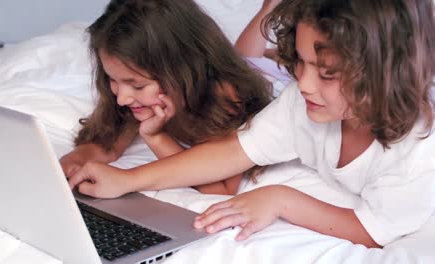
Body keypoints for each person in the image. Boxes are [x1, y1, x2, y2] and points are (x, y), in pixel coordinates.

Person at [67, 0, 435, 249]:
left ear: (385, 74)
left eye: (327, 73)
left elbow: (373, 230)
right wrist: (129, 179)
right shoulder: (301, 101)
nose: (303, 83)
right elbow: (233, 152)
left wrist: (282, 199)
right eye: (301, 63)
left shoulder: (419, 146)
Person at [59, 0, 272, 195]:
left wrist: (157, 138)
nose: (122, 98)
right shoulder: (140, 91)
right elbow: (108, 143)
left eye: (137, 85)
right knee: (247, 56)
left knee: (252, 58)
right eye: (112, 79)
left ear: (183, 71)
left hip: (267, 73)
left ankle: (269, 9)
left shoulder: (225, 98)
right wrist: (75, 160)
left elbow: (219, 189)